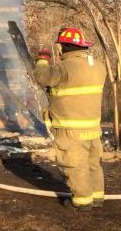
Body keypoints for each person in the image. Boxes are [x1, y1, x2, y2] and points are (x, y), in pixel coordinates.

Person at [34, 27, 107, 211]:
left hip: (71, 129)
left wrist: (42, 61)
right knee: (93, 164)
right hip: (93, 128)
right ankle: (97, 197)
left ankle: (82, 201)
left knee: (75, 165)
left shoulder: (65, 67)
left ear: (62, 47)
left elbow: (42, 78)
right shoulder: (98, 66)